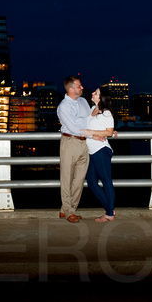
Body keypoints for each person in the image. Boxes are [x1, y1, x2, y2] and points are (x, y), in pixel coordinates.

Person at [56, 76, 91, 223]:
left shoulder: (83, 101)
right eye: (79, 86)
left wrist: (104, 130)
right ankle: (69, 211)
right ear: (71, 89)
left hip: (85, 143)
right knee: (67, 178)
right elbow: (73, 128)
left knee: (80, 179)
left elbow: (90, 120)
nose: (82, 87)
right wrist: (92, 133)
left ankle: (67, 209)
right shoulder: (63, 106)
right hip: (70, 142)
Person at [81, 86, 116, 222]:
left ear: (101, 98)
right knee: (92, 183)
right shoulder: (92, 110)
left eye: (96, 93)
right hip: (91, 151)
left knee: (107, 181)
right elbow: (87, 130)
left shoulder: (105, 113)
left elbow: (109, 132)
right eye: (94, 91)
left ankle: (109, 214)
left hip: (101, 150)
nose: (92, 93)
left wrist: (92, 133)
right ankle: (110, 209)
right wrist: (91, 134)